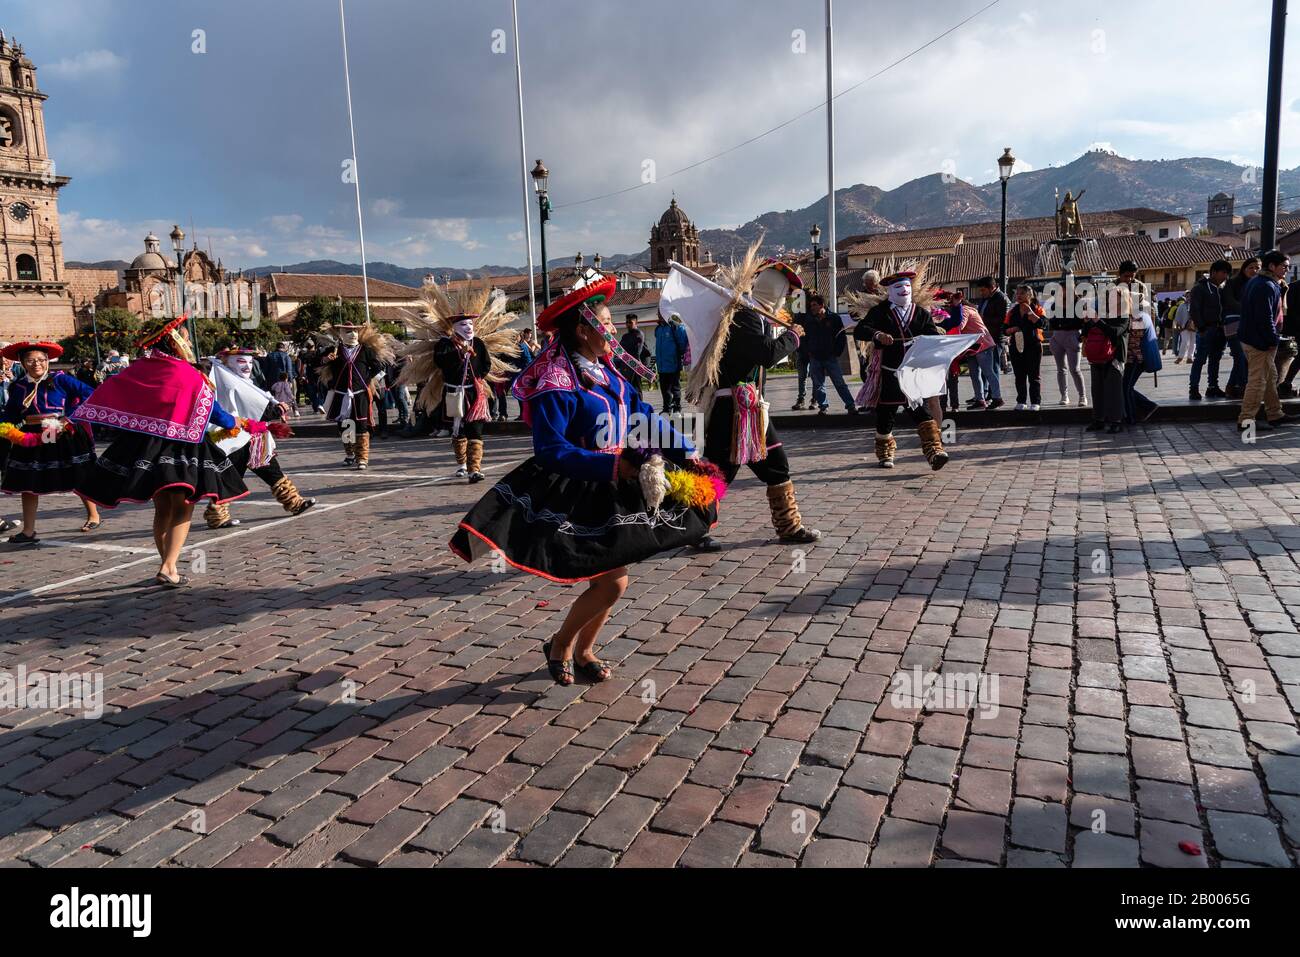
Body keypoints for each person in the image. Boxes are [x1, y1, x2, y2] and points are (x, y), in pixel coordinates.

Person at [450, 276, 719, 685]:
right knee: (613, 582)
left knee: (615, 578)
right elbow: (550, 450)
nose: (611, 330)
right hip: (578, 488)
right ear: (583, 329)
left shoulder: (609, 375)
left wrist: (686, 449)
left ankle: (583, 649)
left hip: (616, 487)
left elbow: (641, 417)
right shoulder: (557, 383)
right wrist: (610, 468)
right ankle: (562, 646)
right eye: (606, 322)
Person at [72, 315, 257, 586]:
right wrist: (233, 423)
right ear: (177, 340)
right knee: (182, 506)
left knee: (163, 509)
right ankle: (169, 566)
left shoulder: (139, 369)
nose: (190, 341)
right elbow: (211, 410)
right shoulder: (187, 373)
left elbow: (113, 391)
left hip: (146, 448)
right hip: (182, 448)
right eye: (187, 336)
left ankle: (166, 566)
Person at [687, 254, 821, 548]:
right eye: (784, 294)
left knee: (776, 465)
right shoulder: (745, 316)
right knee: (719, 471)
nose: (785, 301)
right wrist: (793, 337)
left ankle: (789, 527)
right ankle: (694, 531)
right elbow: (766, 354)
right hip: (731, 409)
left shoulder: (755, 314)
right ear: (774, 291)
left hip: (751, 407)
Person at [399, 281, 520, 483]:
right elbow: (440, 362)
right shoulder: (444, 345)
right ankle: (462, 464)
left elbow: (486, 363)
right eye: (464, 324)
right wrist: (460, 355)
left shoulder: (478, 343)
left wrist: (479, 377)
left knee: (475, 429)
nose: (469, 327)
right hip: (454, 393)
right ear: (455, 327)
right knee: (458, 429)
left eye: (471, 324)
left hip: (474, 392)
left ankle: (475, 468)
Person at [0, 341, 102, 543]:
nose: (36, 364)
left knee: (76, 475)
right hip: (31, 434)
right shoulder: (19, 386)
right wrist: (5, 427)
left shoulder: (61, 379)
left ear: (47, 361)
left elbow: (89, 393)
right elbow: (11, 412)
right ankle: (28, 531)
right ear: (22, 362)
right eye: (30, 360)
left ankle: (93, 515)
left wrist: (69, 418)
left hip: (62, 431)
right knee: (28, 482)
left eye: (41, 359)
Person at [202, 347, 314, 529]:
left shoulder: (242, 381)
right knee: (229, 478)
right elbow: (257, 410)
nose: (247, 366)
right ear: (229, 362)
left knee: (272, 471)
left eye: (250, 362)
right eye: (241, 362)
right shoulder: (230, 382)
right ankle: (216, 516)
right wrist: (276, 410)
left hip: (254, 438)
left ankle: (294, 502)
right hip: (235, 441)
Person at [854, 268, 949, 470]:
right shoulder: (879, 312)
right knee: (885, 415)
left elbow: (932, 335)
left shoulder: (921, 313)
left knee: (921, 412)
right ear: (890, 291)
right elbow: (862, 330)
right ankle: (885, 452)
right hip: (889, 373)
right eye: (898, 287)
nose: (904, 290)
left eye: (906, 286)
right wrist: (878, 335)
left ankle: (935, 451)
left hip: (912, 375)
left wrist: (932, 344)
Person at [318, 321, 395, 470]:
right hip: (341, 394)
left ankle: (362, 458)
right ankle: (350, 454)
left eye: (354, 331)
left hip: (359, 394)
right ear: (341, 334)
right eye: (347, 331)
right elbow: (316, 362)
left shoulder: (365, 350)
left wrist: (366, 380)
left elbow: (379, 366)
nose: (352, 334)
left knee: (360, 425)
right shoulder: (334, 350)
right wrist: (326, 360)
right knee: (344, 425)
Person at [1237, 249, 1294, 431]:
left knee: (1270, 378)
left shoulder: (1259, 282)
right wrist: (1272, 339)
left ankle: (1275, 414)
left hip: (1252, 338)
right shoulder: (1266, 286)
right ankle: (1246, 420)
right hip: (1259, 341)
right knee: (1258, 381)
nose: (1287, 270)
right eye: (1284, 266)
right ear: (1272, 266)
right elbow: (1265, 317)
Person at [937, 290, 995, 410]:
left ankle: (955, 405)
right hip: (965, 347)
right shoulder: (938, 311)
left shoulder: (962, 310)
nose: (948, 304)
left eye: (949, 302)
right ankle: (978, 400)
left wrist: (954, 310)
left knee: (954, 378)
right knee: (973, 375)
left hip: (974, 345)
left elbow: (958, 325)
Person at [803, 295, 859, 416]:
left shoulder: (834, 318)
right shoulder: (809, 320)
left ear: (822, 305)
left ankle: (850, 405)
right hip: (815, 357)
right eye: (811, 305)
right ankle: (823, 406)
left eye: (814, 305)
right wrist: (808, 350)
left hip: (830, 357)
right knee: (818, 385)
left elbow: (841, 336)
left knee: (839, 383)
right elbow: (805, 337)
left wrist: (837, 352)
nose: (812, 308)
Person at [1082, 289, 1126, 433]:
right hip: (1097, 356)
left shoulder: (1124, 316)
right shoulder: (1101, 313)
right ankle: (1098, 420)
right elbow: (1086, 332)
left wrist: (1097, 321)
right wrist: (1087, 322)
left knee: (1114, 391)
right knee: (1097, 390)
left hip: (1115, 357)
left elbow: (1115, 332)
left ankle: (1116, 421)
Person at [1188, 261, 1231, 400]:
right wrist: (1201, 327)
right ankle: (1193, 388)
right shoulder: (1200, 288)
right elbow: (1195, 309)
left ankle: (1213, 386)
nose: (1225, 276)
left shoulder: (1222, 289)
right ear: (1213, 272)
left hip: (1220, 329)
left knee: (1215, 359)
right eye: (1223, 272)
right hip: (1207, 328)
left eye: (1227, 273)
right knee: (1200, 359)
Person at [1120, 286, 1160, 426]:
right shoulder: (1143, 316)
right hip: (1137, 358)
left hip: (1136, 358)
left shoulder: (1137, 318)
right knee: (1126, 387)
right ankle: (1146, 407)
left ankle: (1132, 416)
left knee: (1126, 387)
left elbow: (1135, 342)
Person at [1222, 257, 1260, 399]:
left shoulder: (1259, 285)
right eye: (1251, 267)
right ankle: (1244, 387)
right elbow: (1230, 301)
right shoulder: (1232, 282)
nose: (1254, 270)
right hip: (1234, 322)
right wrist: (1248, 310)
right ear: (1244, 269)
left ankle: (1231, 387)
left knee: (1243, 357)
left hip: (1250, 324)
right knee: (1240, 355)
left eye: (1257, 268)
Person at [1005, 284, 1045, 410]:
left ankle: (1035, 402)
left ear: (1029, 295)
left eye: (1021, 293)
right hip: (1016, 345)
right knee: (1019, 375)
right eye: (1017, 293)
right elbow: (1004, 329)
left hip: (1033, 345)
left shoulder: (1037, 308)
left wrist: (1030, 312)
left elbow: (1042, 324)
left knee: (1034, 375)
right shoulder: (1012, 311)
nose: (1019, 296)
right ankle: (1021, 401)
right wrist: (1012, 329)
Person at [1048, 283, 1087, 406]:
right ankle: (1064, 396)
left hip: (1073, 335)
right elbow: (1052, 322)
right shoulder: (1056, 304)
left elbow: (1085, 321)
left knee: (1075, 369)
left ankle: (1082, 396)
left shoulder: (1079, 303)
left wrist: (1081, 336)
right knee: (1061, 369)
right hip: (1058, 336)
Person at [973, 277, 1008, 408]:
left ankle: (996, 397)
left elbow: (1002, 319)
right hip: (985, 337)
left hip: (996, 338)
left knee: (993, 368)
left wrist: (983, 319)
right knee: (986, 368)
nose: (981, 293)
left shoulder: (1001, 298)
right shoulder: (985, 298)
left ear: (991, 288)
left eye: (983, 290)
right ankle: (988, 394)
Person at [654, 312, 689, 414]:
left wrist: (677, 356)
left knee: (675, 388)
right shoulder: (658, 329)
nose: (659, 315)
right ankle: (666, 408)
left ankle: (677, 408)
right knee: (664, 389)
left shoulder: (676, 327)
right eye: (658, 313)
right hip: (661, 365)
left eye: (661, 313)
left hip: (673, 363)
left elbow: (683, 344)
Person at [616, 315, 652, 392]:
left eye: (630, 322)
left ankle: (638, 403)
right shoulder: (625, 336)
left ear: (636, 323)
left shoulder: (638, 334)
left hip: (636, 365)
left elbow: (637, 352)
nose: (628, 324)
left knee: (636, 389)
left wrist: (640, 368)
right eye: (627, 322)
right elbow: (619, 350)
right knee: (628, 389)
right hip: (626, 366)